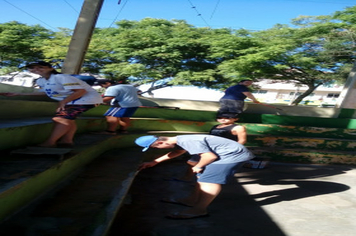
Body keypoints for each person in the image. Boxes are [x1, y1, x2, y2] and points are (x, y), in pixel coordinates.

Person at [135, 134, 254, 219]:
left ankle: (199, 210)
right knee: (201, 178)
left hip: (232, 156)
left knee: (208, 181)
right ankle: (191, 201)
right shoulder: (180, 140)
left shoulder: (188, 141)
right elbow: (177, 152)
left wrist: (198, 166)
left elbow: (209, 157)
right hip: (225, 154)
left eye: (155, 148)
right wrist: (155, 162)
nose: (157, 149)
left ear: (160, 142)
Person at [0, 61, 103, 148]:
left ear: (50, 68)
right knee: (68, 120)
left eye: (41, 67)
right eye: (32, 68)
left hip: (86, 100)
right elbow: (46, 92)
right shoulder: (41, 81)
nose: (36, 69)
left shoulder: (61, 77)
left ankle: (50, 142)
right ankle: (67, 141)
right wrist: (18, 94)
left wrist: (63, 102)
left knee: (61, 119)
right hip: (73, 101)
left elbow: (80, 91)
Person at [178, 112, 247, 182]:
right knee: (192, 162)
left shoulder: (238, 127)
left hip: (223, 149)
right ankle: (189, 178)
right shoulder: (216, 126)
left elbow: (242, 140)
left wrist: (231, 150)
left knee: (209, 165)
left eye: (227, 118)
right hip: (208, 147)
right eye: (220, 118)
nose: (223, 119)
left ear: (235, 119)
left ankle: (201, 180)